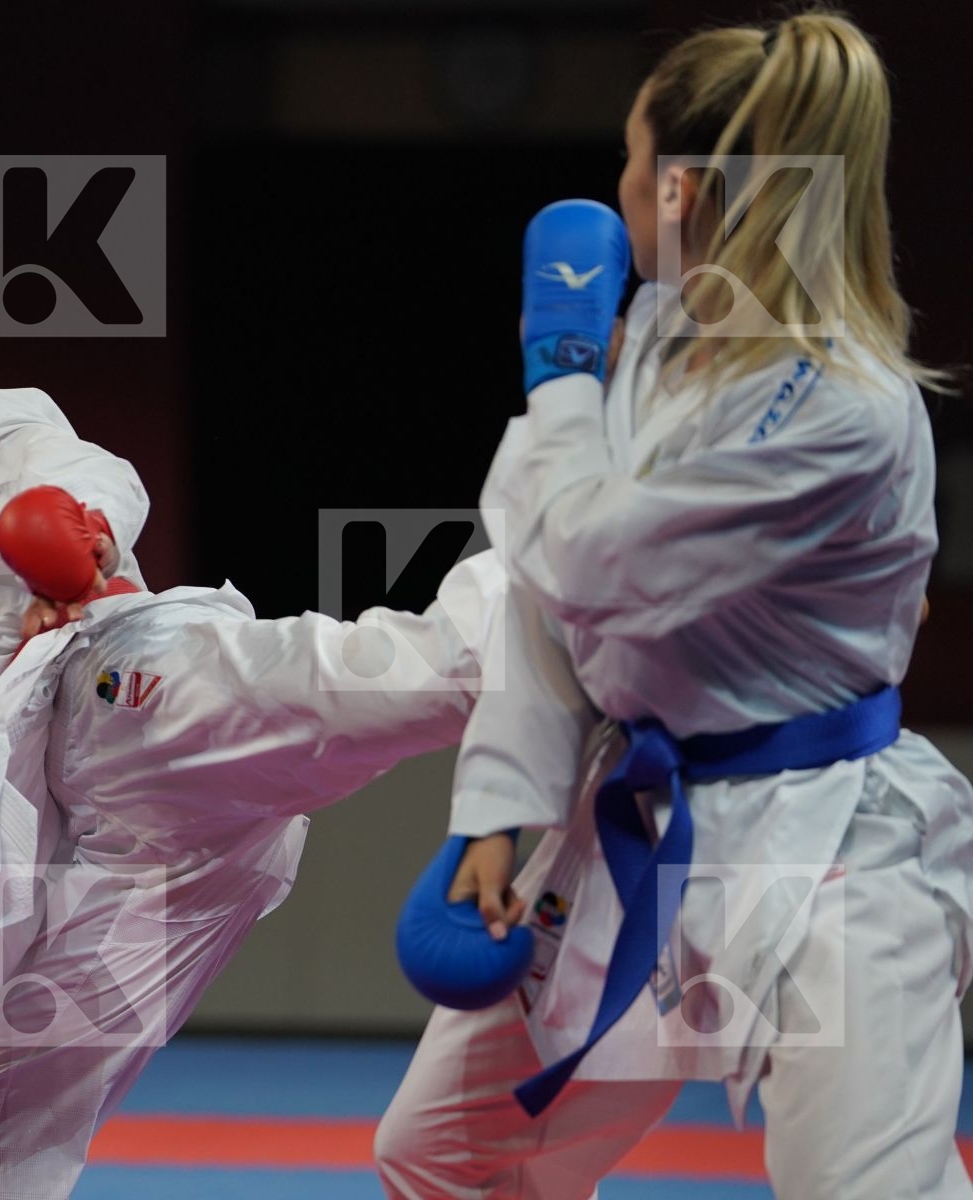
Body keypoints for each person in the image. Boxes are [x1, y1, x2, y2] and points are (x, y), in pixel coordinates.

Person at [0, 264, 505, 1197]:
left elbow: (78, 467)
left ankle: (572, 587)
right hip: (134, 842)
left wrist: (76, 529)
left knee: (392, 677)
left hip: (134, 692)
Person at [374, 11, 973, 1199]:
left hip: (829, 854)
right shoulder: (649, 338)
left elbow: (593, 560)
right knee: (445, 1154)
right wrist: (502, 801)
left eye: (634, 161)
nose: (621, 186)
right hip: (637, 826)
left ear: (683, 190)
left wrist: (555, 378)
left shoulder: (840, 406)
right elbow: (551, 599)